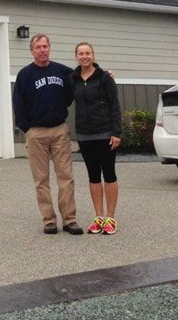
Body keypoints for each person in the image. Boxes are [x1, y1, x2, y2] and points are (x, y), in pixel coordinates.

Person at [13, 34, 83, 235]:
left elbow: (83, 76)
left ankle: (70, 219)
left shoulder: (62, 71)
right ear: (32, 50)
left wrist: (105, 74)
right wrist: (27, 128)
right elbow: (19, 103)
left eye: (45, 46)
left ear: (49, 48)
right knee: (41, 179)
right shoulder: (25, 75)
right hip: (36, 132)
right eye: (38, 47)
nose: (42, 50)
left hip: (59, 130)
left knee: (66, 176)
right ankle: (49, 220)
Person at [71, 42, 122, 235]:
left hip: (105, 133)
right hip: (84, 134)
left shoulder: (104, 78)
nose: (84, 56)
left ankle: (111, 218)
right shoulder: (73, 79)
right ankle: (99, 217)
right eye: (81, 53)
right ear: (76, 56)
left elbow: (115, 105)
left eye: (88, 53)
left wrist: (117, 132)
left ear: (93, 55)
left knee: (108, 173)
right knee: (93, 175)